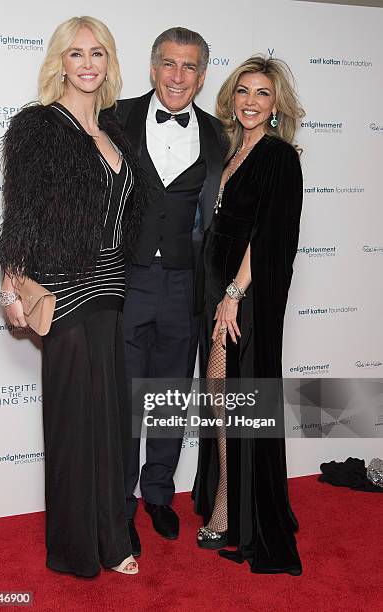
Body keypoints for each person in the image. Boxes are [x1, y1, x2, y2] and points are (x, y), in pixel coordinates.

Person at [0, 16, 147, 578]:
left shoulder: (114, 132)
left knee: (110, 426)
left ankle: (113, 537)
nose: (88, 64)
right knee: (72, 427)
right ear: (60, 61)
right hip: (63, 290)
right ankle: (75, 548)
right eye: (77, 53)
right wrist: (12, 284)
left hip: (111, 291)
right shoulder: (38, 126)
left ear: (109, 63)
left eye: (98, 54)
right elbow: (22, 210)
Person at [113, 27, 226, 556]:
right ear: (152, 67)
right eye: (168, 64)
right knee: (124, 399)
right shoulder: (116, 117)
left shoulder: (219, 133)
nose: (177, 76)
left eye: (189, 67)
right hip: (126, 281)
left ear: (202, 76)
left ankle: (159, 492)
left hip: (186, 285)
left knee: (167, 398)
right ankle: (120, 502)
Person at [193, 55, 305, 575]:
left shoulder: (279, 157)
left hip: (246, 299)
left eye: (262, 93)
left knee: (230, 395)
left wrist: (234, 293)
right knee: (221, 397)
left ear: (276, 103)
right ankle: (229, 494)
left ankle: (230, 507)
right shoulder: (233, 148)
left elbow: (268, 236)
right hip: (218, 289)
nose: (251, 102)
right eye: (243, 91)